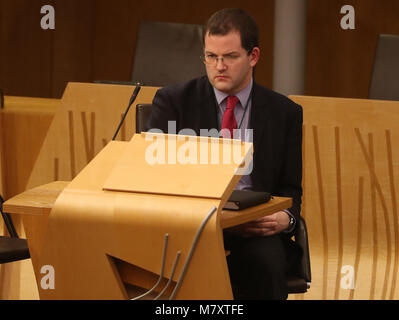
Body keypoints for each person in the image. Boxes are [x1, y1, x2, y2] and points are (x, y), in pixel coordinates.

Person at [145, 8, 303, 300]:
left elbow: (291, 189)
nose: (219, 66)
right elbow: (155, 180)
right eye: (211, 56)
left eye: (230, 57)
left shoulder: (285, 113)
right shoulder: (174, 102)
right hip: (189, 229)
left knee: (265, 264)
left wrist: (285, 218)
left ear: (253, 56)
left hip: (254, 230)